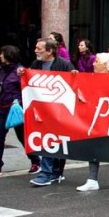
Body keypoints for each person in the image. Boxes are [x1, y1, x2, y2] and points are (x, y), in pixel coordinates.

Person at [0, 45, 40, 177]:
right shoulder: (2, 70)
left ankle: (35, 161)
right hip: (2, 110)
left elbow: (26, 90)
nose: (0, 56)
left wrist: (19, 102)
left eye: (2, 54)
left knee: (22, 137)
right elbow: (3, 91)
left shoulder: (20, 71)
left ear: (8, 55)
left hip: (15, 111)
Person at [76, 53, 109, 191]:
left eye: (97, 61)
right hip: (95, 117)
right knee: (93, 145)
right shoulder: (91, 78)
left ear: (105, 65)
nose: (93, 63)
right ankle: (92, 179)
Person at [26, 38, 75, 186]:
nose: (35, 50)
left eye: (39, 48)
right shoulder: (36, 64)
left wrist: (74, 74)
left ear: (49, 51)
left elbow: (74, 83)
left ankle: (49, 173)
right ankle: (50, 172)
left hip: (59, 111)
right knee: (47, 140)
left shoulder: (64, 64)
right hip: (42, 111)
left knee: (53, 141)